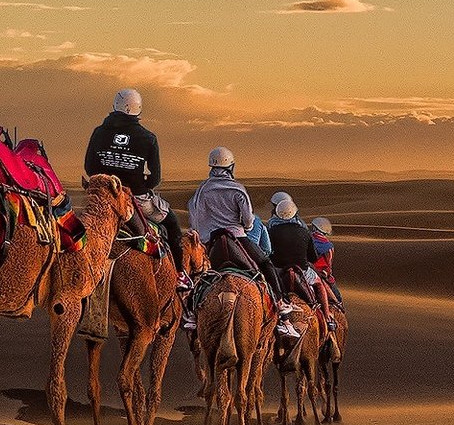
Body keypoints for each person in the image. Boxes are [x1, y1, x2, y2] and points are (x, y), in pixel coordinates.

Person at [188, 147, 296, 336]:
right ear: (232, 166)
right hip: (237, 237)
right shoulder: (237, 189)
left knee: (194, 272)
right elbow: (248, 220)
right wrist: (243, 228)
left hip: (211, 241)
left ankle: (189, 312)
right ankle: (282, 309)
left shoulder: (201, 190)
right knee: (265, 264)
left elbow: (195, 216)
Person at [83, 88, 188, 278]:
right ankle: (180, 274)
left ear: (115, 106)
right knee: (172, 223)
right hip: (134, 199)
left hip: (102, 197)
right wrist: (139, 183)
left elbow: (89, 168)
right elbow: (155, 178)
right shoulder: (148, 138)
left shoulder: (99, 133)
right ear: (138, 109)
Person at [268, 195, 333, 328]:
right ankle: (327, 317)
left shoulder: (271, 230)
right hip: (302, 271)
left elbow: (268, 252)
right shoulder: (304, 231)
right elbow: (313, 258)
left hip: (279, 272)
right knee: (320, 285)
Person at [309, 216, 343, 307]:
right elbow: (329, 263)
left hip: (305, 270)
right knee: (338, 298)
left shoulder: (307, 239)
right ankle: (333, 315)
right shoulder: (328, 246)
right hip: (320, 273)